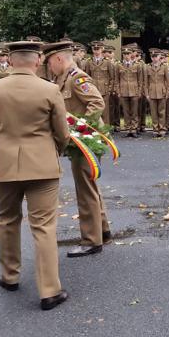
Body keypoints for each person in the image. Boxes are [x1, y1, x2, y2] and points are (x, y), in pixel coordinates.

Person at [0, 40, 70, 311]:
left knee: (7, 219)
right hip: (42, 164)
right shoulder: (50, 89)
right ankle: (49, 290)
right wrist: (56, 149)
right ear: (37, 60)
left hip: (5, 163)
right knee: (43, 226)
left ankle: (9, 276)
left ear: (10, 60)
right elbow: (62, 133)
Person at [43, 39, 111, 258]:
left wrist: (80, 128)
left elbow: (97, 103)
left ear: (59, 58)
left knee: (85, 190)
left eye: (50, 62)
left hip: (85, 141)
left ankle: (91, 240)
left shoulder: (76, 78)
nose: (49, 67)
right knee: (89, 187)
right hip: (81, 142)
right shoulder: (63, 77)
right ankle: (102, 230)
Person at [116, 45, 146, 137]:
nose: (126, 55)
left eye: (128, 53)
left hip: (134, 91)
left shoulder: (137, 65)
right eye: (124, 54)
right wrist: (118, 91)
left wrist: (140, 91)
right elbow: (117, 80)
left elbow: (140, 80)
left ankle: (134, 129)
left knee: (134, 111)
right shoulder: (119, 65)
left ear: (131, 54)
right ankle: (128, 129)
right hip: (123, 91)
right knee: (126, 111)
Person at [144, 50, 169, 137]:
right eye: (153, 57)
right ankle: (155, 129)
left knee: (162, 112)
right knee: (154, 112)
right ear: (151, 58)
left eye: (156, 56)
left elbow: (168, 81)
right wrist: (147, 94)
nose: (155, 58)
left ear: (159, 57)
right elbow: (146, 82)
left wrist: (167, 93)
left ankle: (162, 129)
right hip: (152, 92)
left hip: (162, 92)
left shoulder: (164, 67)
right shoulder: (148, 67)